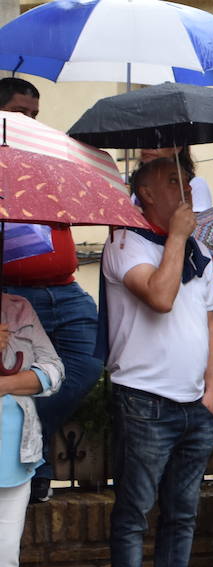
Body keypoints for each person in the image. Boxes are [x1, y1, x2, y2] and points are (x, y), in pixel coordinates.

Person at [102, 157, 213, 567]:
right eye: (173, 180)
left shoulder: (198, 250)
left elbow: (210, 323)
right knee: (135, 512)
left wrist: (210, 393)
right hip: (143, 400)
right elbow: (160, 296)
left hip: (194, 404)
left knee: (182, 513)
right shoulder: (124, 241)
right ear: (145, 192)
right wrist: (175, 236)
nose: (186, 189)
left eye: (188, 179)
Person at [2, 79, 103, 505]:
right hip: (14, 295)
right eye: (21, 113)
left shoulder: (48, 158)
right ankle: (33, 461)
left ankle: (30, 442)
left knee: (91, 360)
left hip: (65, 289)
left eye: (36, 115)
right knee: (22, 375)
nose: (31, 122)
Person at [0, 292, 63, 567]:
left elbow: (53, 371)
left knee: (5, 554)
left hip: (14, 455)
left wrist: (5, 384)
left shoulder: (17, 308)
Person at [138, 146, 212, 211]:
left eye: (157, 140)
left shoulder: (195, 184)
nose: (147, 147)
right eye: (143, 141)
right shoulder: (135, 189)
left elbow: (198, 222)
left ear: (177, 148)